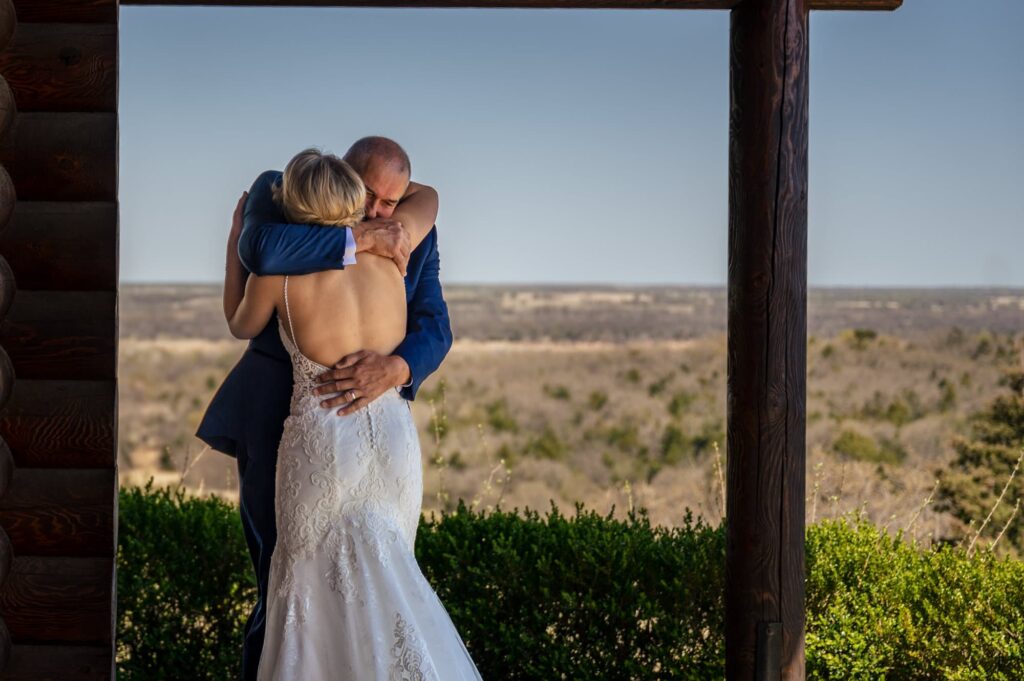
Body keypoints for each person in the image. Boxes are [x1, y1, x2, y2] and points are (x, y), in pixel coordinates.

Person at [197, 136, 456, 680]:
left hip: (328, 422)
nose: (382, 214)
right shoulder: (291, 201)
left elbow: (435, 326)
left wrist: (398, 367)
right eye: (371, 197)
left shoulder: (402, 233)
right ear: (343, 174)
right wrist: (359, 239)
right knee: (347, 580)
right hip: (301, 421)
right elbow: (264, 246)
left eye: (393, 202)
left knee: (308, 591)